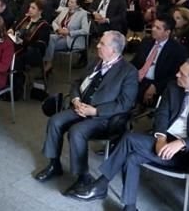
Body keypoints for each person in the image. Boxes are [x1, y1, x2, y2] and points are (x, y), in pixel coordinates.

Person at [70, 58, 189, 211]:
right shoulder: (174, 87)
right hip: (163, 139)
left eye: (182, 74)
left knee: (130, 143)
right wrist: (161, 137)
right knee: (131, 156)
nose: (176, 74)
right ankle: (129, 210)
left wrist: (182, 143)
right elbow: (162, 114)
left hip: (187, 152)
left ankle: (102, 186)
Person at [33, 31, 139, 192]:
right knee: (55, 121)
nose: (97, 45)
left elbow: (125, 104)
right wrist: (75, 100)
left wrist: (95, 111)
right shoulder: (96, 61)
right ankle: (54, 164)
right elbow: (77, 82)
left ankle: (83, 176)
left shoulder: (129, 72)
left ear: (113, 49)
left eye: (102, 44)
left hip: (103, 117)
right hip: (80, 107)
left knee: (77, 131)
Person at [130, 15, 188, 108]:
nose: (153, 29)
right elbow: (135, 62)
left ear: (167, 32)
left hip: (155, 82)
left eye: (158, 28)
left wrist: (156, 87)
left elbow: (174, 76)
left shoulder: (178, 50)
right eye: (153, 26)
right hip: (136, 78)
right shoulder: (146, 41)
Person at [42, 0, 90, 77]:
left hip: (71, 39)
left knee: (48, 43)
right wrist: (57, 29)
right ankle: (47, 64)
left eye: (72, 2)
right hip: (59, 35)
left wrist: (69, 32)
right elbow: (54, 22)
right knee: (46, 39)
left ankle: (47, 64)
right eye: (69, 1)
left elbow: (85, 30)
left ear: (78, 5)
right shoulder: (65, 10)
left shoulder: (82, 14)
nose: (69, 3)